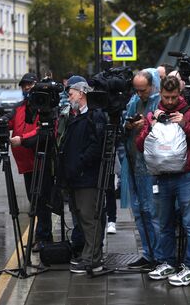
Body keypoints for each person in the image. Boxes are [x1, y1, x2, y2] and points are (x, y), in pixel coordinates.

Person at [136, 75, 190, 286]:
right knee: (162, 224)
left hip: (186, 176)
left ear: (180, 94)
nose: (169, 101)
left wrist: (185, 124)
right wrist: (151, 126)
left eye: (173, 97)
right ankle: (166, 262)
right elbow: (141, 146)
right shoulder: (153, 115)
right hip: (161, 177)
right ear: (161, 95)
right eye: (166, 97)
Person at [58, 79, 107, 274]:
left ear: (81, 94)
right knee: (82, 218)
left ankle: (93, 260)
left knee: (89, 218)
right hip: (76, 177)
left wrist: (79, 163)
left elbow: (96, 146)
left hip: (87, 177)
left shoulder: (94, 116)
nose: (69, 98)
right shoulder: (77, 116)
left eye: (70, 94)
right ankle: (88, 256)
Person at [7, 73, 53, 252]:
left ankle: (44, 237)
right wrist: (2, 123)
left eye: (30, 84)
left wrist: (22, 139)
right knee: (33, 201)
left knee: (42, 202)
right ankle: (39, 235)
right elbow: (11, 122)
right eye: (24, 85)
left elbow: (43, 132)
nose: (27, 88)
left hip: (41, 162)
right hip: (26, 164)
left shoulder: (45, 108)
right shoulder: (19, 107)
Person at [121, 69, 161, 270]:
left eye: (142, 90)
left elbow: (165, 130)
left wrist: (146, 123)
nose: (139, 94)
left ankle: (159, 256)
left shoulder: (160, 101)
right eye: (136, 90)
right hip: (134, 163)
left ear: (152, 85)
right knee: (138, 211)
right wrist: (128, 126)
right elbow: (124, 123)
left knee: (152, 212)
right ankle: (147, 253)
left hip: (152, 168)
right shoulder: (134, 102)